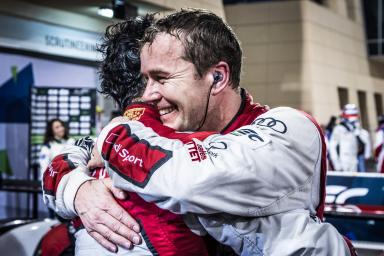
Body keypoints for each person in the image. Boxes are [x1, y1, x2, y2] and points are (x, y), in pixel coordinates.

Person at [44, 9, 354, 255]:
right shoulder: (168, 132)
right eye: (145, 80)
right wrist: (79, 191)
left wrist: (115, 138)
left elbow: (188, 179)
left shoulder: (288, 129)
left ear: (217, 77)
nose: (148, 95)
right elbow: (64, 160)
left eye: (161, 78)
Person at [329, 104, 370, 172]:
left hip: (355, 163)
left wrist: (358, 133)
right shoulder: (338, 129)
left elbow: (366, 150)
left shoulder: (360, 131)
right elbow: (332, 147)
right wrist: (337, 164)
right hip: (343, 163)